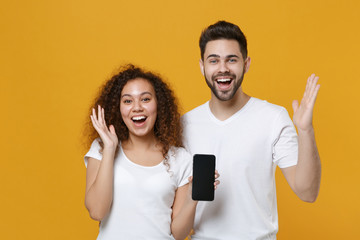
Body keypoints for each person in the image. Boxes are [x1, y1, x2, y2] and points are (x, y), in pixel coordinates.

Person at [182, 21, 321, 240]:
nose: (223, 68)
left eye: (232, 59)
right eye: (213, 60)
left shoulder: (273, 118)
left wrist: (305, 131)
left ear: (246, 64)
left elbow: (307, 192)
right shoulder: (185, 124)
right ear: (202, 66)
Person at [83, 65, 219, 240]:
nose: (137, 107)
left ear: (159, 105)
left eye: (145, 99)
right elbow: (97, 211)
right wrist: (110, 149)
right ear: (118, 108)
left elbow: (178, 234)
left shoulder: (180, 159)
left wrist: (193, 197)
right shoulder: (101, 149)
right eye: (127, 101)